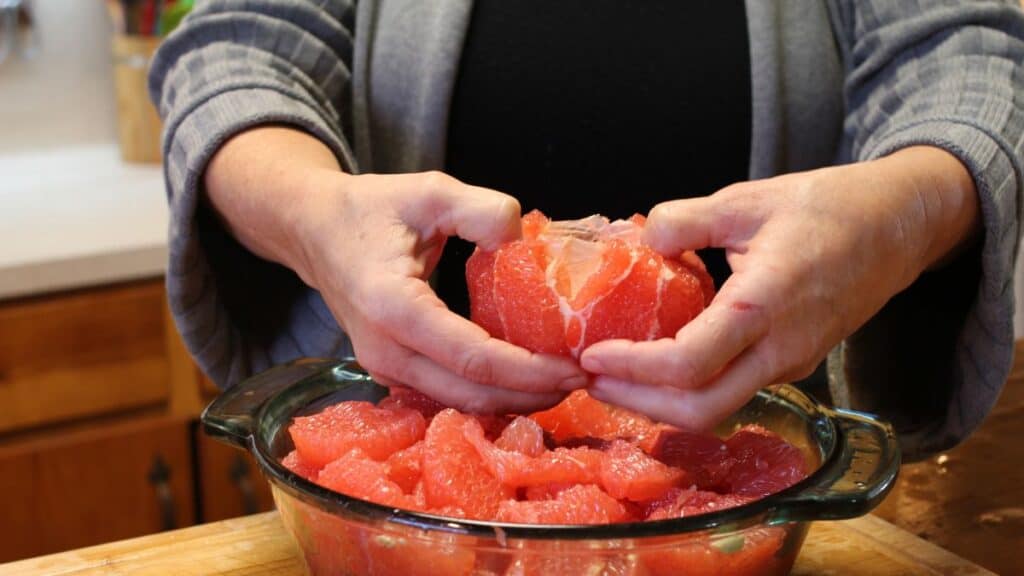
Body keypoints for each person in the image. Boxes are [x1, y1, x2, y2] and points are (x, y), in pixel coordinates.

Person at [149, 0, 1024, 460]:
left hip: (738, 481)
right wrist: (308, 211)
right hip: (413, 487)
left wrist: (903, 214)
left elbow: (971, 56)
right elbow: (234, 49)